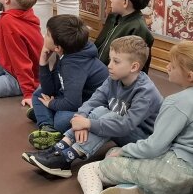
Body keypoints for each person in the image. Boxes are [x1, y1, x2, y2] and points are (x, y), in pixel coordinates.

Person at [54, 42, 193, 194]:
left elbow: (155, 146)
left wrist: (124, 150)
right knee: (112, 153)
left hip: (172, 172)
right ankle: (134, 188)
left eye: (172, 64)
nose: (167, 66)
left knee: (89, 169)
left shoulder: (176, 102)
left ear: (190, 76)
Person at [22, 36, 161, 180]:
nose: (109, 65)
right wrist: (81, 117)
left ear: (134, 67)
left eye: (116, 61)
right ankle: (59, 148)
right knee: (100, 111)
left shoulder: (146, 93)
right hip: (121, 129)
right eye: (110, 59)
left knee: (111, 116)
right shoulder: (113, 79)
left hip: (143, 140)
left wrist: (88, 124)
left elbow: (125, 125)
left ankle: (66, 159)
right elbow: (95, 99)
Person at [28, 14, 108, 150]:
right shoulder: (69, 52)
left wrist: (51, 104)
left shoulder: (73, 65)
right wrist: (43, 62)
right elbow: (50, 90)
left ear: (58, 47)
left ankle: (47, 118)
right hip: (76, 96)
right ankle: (47, 127)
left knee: (60, 121)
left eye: (48, 34)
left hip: (92, 106)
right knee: (38, 94)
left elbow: (72, 103)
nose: (44, 36)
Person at [94, 0, 154, 70]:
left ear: (125, 2)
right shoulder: (113, 17)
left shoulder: (138, 28)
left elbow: (136, 66)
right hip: (98, 69)